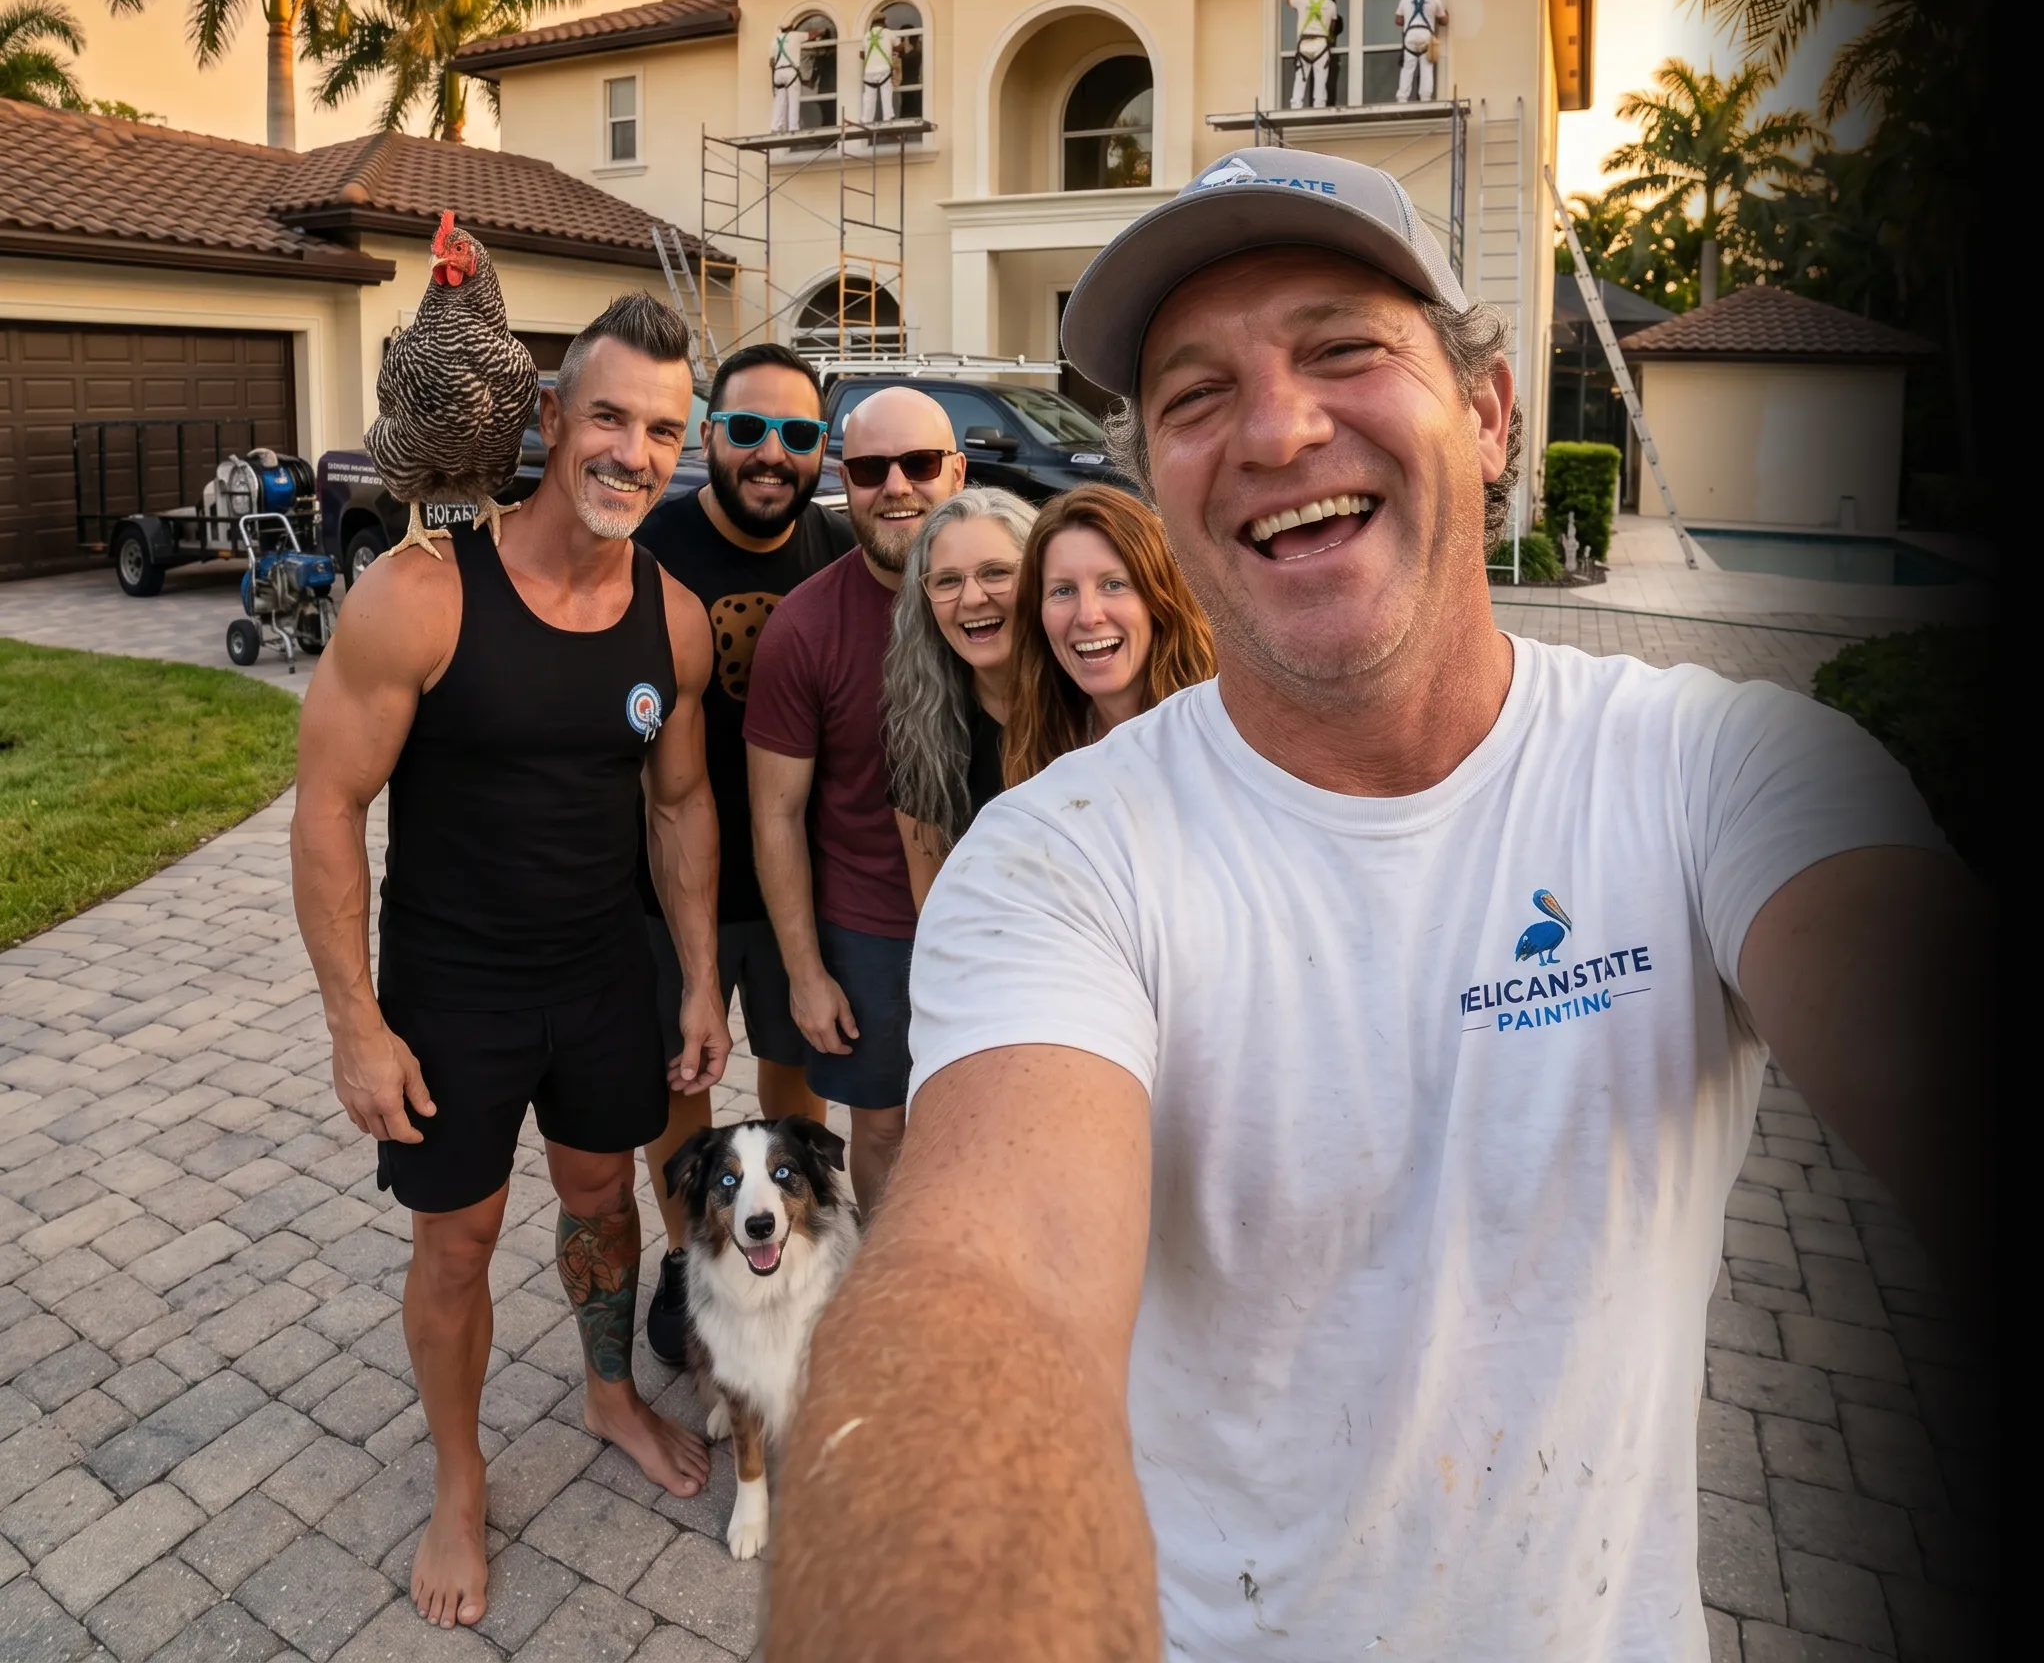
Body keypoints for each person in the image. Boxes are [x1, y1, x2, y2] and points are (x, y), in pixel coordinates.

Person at [767, 149, 1979, 1661]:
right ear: (1157, 481)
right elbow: (982, 1283)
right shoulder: (1058, 856)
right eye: (1195, 398)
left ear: (1486, 412)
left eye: (1346, 348)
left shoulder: (1715, 769)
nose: (1277, 426)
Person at [292, 294, 728, 1633]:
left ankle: (607, 1395)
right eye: (608, 416)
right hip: (453, 989)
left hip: (603, 974)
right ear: (551, 420)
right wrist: (356, 1025)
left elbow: (677, 806)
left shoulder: (675, 617)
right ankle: (463, 1479)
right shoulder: (422, 593)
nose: (632, 452)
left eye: (662, 430)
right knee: (458, 1245)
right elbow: (326, 808)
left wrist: (703, 979)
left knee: (601, 1203)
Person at [633, 340, 850, 1357]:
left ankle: (791, 1254)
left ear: (822, 450)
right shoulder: (650, 550)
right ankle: (690, 1261)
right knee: (678, 1078)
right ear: (712, 434)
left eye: (798, 434)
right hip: (666, 881)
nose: (773, 452)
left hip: (792, 884)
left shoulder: (837, 557)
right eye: (750, 428)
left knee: (789, 1066)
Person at [744, 387, 966, 1211]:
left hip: (1005, 916)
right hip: (872, 933)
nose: (897, 486)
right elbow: (775, 815)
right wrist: (806, 972)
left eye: (919, 464)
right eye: (872, 468)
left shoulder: (1006, 593)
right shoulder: (805, 627)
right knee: (882, 1131)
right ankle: (889, 1290)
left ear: (958, 470)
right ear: (845, 477)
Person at [883, 487, 1038, 911]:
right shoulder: (923, 730)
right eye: (948, 581)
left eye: (996, 572)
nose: (972, 599)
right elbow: (935, 908)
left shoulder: (1102, 707)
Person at [1002, 483, 1216, 787]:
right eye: (1063, 590)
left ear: (1160, 600)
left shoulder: (1230, 728)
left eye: (1114, 585)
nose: (1089, 616)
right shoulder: (1041, 741)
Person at [1286, 0, 1343, 109]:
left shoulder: (1302, 0)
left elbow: (1289, 0)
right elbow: (1333, 26)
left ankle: (1296, 105)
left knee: (1301, 77)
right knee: (1321, 77)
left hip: (1304, 43)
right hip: (1321, 44)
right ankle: (1319, 105)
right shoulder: (1330, 4)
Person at [1395, 0, 1446, 101]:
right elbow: (1443, 20)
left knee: (1408, 67)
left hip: (1410, 35)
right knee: (1427, 67)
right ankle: (1425, 98)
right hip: (1425, 34)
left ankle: (1402, 98)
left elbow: (1398, 20)